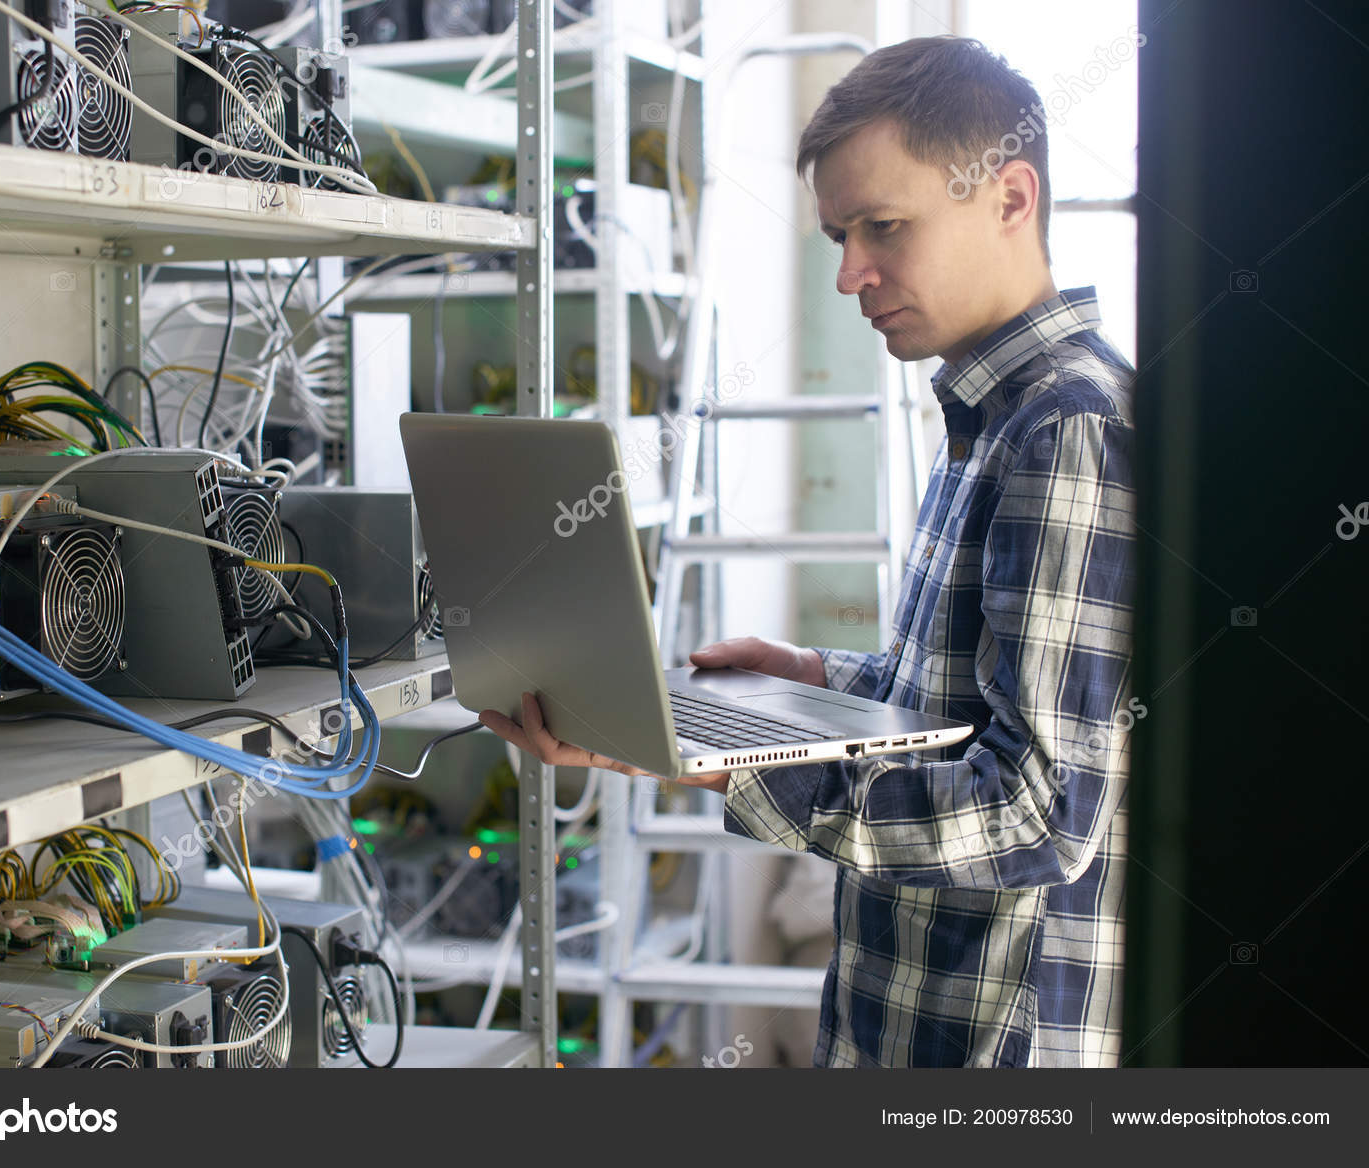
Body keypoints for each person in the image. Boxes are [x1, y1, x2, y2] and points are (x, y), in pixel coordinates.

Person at [479, 36, 1136, 1068]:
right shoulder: (995, 418)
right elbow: (973, 712)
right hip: (909, 1014)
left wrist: (727, 765)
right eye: (839, 234)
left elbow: (1036, 812)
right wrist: (818, 681)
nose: (849, 275)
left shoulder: (1066, 432)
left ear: (1011, 198)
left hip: (993, 1044)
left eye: (883, 226)